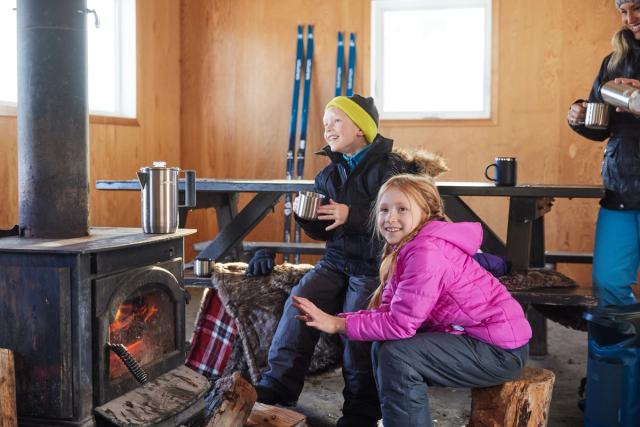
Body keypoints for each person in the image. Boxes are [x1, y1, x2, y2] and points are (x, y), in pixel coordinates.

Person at [253, 94, 448, 427]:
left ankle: (361, 411)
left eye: (336, 122)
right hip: (337, 261)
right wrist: (309, 219)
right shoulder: (329, 175)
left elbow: (398, 222)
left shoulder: (389, 168)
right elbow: (328, 233)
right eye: (325, 124)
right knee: (299, 303)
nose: (328, 129)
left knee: (358, 331)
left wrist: (351, 214)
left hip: (376, 264)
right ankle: (277, 386)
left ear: (361, 129)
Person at [292, 174, 532, 427]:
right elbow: (390, 313)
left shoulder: (426, 252)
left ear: (426, 213)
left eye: (402, 209)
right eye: (384, 210)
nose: (390, 218)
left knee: (398, 355)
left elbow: (400, 325)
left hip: (499, 350)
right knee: (384, 347)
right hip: (475, 338)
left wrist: (337, 325)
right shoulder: (408, 248)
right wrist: (341, 320)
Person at [567, 0, 640, 306]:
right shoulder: (614, 62)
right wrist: (580, 115)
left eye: (637, 8)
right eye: (623, 12)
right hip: (621, 185)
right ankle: (616, 356)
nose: (629, 19)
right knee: (609, 284)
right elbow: (601, 125)